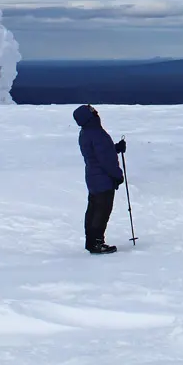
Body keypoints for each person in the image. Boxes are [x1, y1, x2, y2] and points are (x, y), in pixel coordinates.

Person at [72, 104, 126, 254]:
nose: (96, 112)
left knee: (93, 210)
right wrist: (117, 175)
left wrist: (115, 148)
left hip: (93, 178)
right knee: (101, 211)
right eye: (93, 111)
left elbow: (100, 153)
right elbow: (105, 160)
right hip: (103, 179)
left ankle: (91, 241)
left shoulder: (86, 132)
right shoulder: (97, 133)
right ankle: (97, 243)